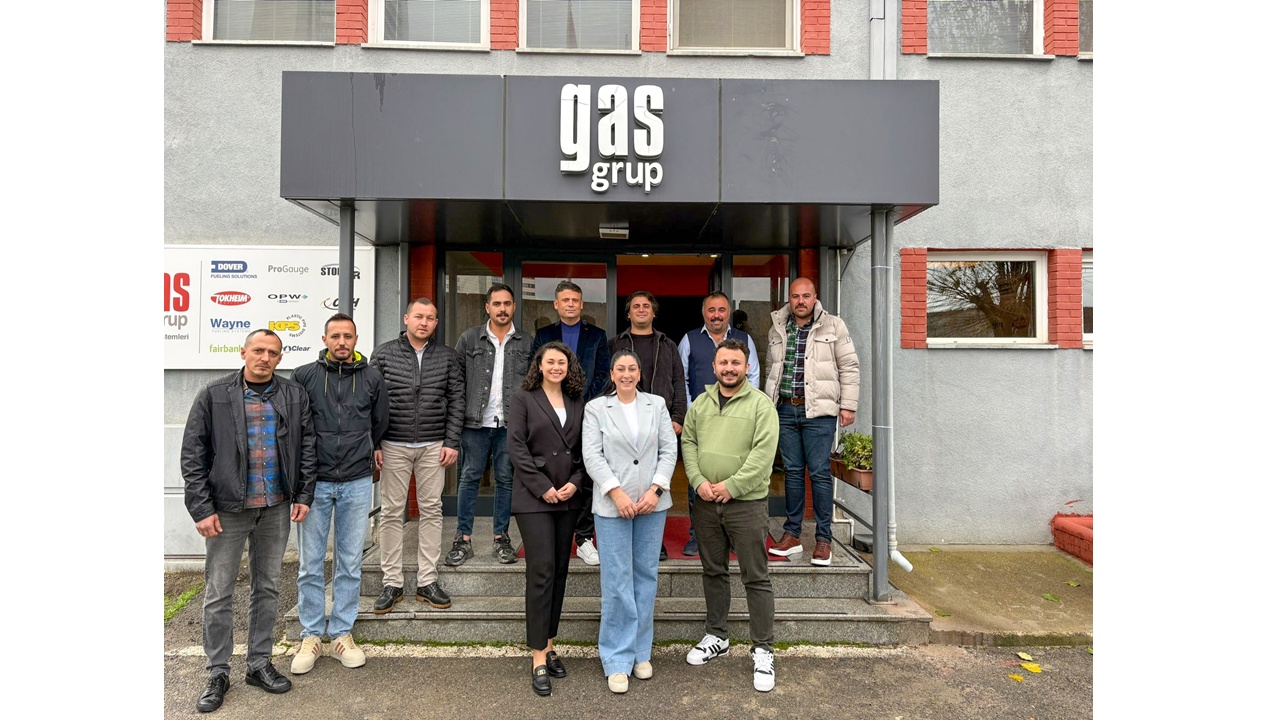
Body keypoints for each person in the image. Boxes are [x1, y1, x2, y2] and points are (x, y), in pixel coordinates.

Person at [181, 329, 317, 713]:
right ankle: (217, 672)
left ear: (280, 358)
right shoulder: (214, 394)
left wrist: (303, 494)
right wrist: (201, 508)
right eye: (258, 350)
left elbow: (307, 447)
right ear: (243, 352)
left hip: (275, 507)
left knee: (268, 588)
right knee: (219, 592)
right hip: (227, 510)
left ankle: (258, 664)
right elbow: (193, 454)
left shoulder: (293, 394)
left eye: (273, 353)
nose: (265, 358)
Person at [289, 313, 388, 674]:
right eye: (335, 336)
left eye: (348, 336)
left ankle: (342, 633)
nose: (342, 342)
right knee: (310, 563)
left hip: (356, 480)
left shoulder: (372, 376)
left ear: (356, 339)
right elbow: (295, 426)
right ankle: (312, 635)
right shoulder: (304, 376)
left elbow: (380, 421)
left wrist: (369, 450)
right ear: (325, 339)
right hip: (315, 482)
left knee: (349, 561)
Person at [682, 337, 780, 692]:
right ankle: (717, 636)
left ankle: (763, 649)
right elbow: (688, 442)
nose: (729, 369)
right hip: (706, 503)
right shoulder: (700, 404)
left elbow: (763, 455)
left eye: (736, 363)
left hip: (746, 505)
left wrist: (732, 486)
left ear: (747, 367)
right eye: (723, 363)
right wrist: (697, 481)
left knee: (756, 577)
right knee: (713, 571)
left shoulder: (761, 406)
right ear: (714, 366)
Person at [582, 349, 678, 694]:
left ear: (639, 374)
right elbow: (592, 455)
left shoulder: (656, 405)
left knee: (645, 576)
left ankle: (640, 651)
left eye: (632, 368)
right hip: (613, 506)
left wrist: (656, 489)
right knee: (617, 580)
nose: (626, 374)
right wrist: (616, 493)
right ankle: (616, 658)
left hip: (652, 504)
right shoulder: (596, 408)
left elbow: (669, 450)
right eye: (620, 368)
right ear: (612, 374)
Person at [368, 298, 465, 613]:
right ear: (406, 318)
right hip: (393, 444)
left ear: (436, 323)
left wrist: (452, 441)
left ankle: (427, 581)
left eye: (431, 318)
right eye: (419, 316)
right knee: (392, 512)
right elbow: (371, 401)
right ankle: (392, 583)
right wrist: (375, 443)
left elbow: (457, 399)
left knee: (432, 510)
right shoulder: (383, 354)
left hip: (434, 445)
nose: (424, 322)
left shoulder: (447, 357)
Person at [507, 341, 589, 696]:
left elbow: (586, 449)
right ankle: (538, 656)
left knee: (558, 572)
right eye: (550, 361)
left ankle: (550, 643)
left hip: (568, 497)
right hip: (534, 498)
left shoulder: (577, 401)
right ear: (539, 365)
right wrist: (543, 487)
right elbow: (516, 448)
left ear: (569, 367)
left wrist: (575, 482)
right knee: (541, 571)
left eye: (562, 362)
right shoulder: (523, 399)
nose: (556, 367)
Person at [764, 277, 860, 566]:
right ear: (790, 298)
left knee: (819, 474)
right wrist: (768, 405)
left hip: (819, 413)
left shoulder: (834, 325)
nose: (800, 301)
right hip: (785, 410)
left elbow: (849, 367)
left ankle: (823, 540)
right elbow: (771, 368)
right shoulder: (778, 326)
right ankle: (792, 535)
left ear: (815, 297)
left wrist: (848, 405)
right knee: (792, 472)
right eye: (795, 296)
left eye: (806, 296)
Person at [447, 283, 533, 567]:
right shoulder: (470, 338)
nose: (502, 309)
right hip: (475, 423)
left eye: (507, 304)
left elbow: (533, 385)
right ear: (487, 307)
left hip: (510, 424)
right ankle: (463, 538)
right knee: (470, 477)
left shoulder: (526, 341)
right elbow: (456, 380)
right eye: (497, 304)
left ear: (514, 307)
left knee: (505, 480)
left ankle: (501, 538)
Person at [676, 291, 761, 557]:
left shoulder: (745, 339)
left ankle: (732, 535)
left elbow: (754, 376)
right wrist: (693, 413)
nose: (716, 315)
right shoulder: (689, 340)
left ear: (728, 313)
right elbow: (681, 379)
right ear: (704, 313)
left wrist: (747, 410)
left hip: (738, 419)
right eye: (711, 310)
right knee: (700, 476)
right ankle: (697, 535)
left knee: (733, 472)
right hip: (702, 421)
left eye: (721, 310)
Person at [532, 280, 610, 566]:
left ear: (581, 304)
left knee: (585, 473)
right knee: (555, 470)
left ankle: (584, 537)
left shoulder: (597, 335)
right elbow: (535, 369)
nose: (570, 304)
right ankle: (555, 533)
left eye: (575, 300)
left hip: (586, 412)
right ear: (556, 304)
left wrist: (582, 402)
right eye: (565, 300)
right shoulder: (544, 335)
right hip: (550, 413)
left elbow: (603, 374)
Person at [608, 290, 686, 561]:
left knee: (655, 480)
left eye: (646, 306)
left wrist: (677, 417)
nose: (641, 309)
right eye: (636, 306)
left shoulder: (668, 345)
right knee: (625, 478)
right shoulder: (615, 343)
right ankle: (623, 535)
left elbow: (678, 382)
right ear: (628, 313)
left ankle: (655, 540)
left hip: (658, 423)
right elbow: (606, 381)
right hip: (623, 422)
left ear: (654, 312)